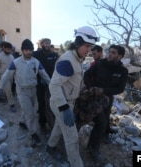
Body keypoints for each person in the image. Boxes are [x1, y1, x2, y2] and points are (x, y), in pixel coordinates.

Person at [46, 26, 99, 167]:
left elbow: (71, 81)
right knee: (72, 138)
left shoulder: (77, 58)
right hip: (61, 103)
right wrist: (64, 108)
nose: (89, 50)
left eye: (91, 46)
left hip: (68, 102)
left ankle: (50, 147)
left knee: (59, 126)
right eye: (86, 46)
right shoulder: (68, 60)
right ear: (78, 43)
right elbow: (54, 85)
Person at [0, 39, 50, 145]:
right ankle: (33, 134)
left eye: (30, 50)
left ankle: (22, 122)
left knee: (29, 109)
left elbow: (44, 75)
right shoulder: (16, 62)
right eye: (26, 50)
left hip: (33, 90)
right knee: (30, 114)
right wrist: (0, 87)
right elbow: (6, 75)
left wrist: (51, 85)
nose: (29, 52)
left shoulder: (36, 62)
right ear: (22, 50)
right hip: (22, 91)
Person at [83, 44, 128, 161]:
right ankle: (93, 149)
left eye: (113, 53)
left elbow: (120, 88)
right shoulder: (99, 64)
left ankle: (95, 143)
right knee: (101, 122)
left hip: (108, 99)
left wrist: (104, 91)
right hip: (94, 98)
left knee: (104, 122)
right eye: (109, 52)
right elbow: (86, 75)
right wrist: (92, 89)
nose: (110, 54)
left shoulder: (123, 71)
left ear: (120, 56)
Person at [33, 38, 59, 129]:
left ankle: (51, 121)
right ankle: (42, 122)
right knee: (41, 102)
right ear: (42, 44)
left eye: (49, 43)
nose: (47, 45)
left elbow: (57, 68)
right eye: (46, 43)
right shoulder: (36, 54)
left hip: (52, 83)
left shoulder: (54, 55)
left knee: (51, 103)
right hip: (40, 83)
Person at [0, 42, 16, 111]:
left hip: (10, 76)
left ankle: (1, 97)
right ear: (4, 48)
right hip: (2, 75)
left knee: (8, 90)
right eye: (8, 49)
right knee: (8, 90)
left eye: (10, 49)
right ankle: (12, 105)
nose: (9, 51)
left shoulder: (12, 57)